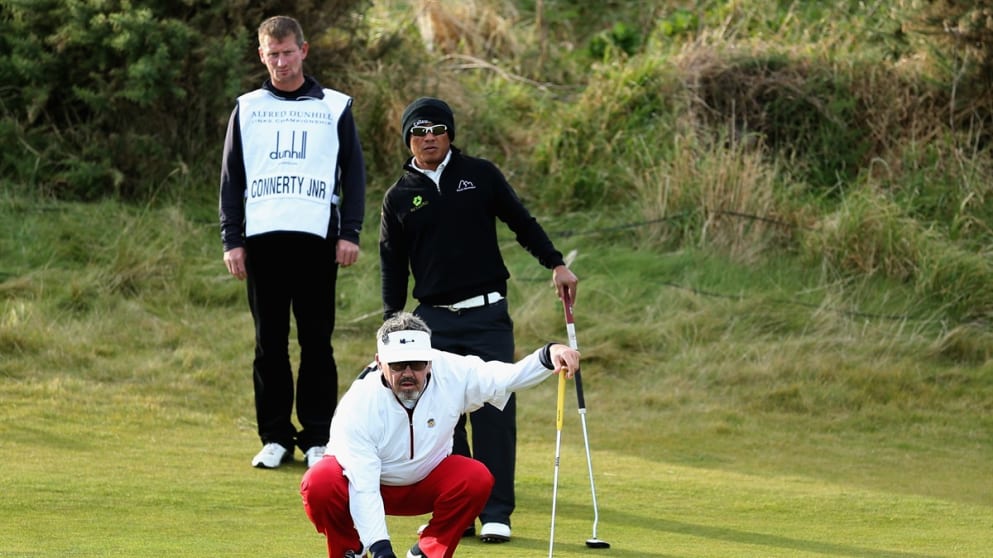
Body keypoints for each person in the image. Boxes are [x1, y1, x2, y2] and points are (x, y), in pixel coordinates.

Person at [378, 97, 578, 542]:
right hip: (432, 320)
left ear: (449, 134)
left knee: (495, 407)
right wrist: (391, 332)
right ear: (409, 138)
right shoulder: (398, 197)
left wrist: (556, 263)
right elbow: (392, 266)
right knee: (444, 415)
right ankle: (461, 509)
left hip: (487, 313)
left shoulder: (480, 175)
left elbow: (521, 222)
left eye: (437, 129)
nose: (429, 137)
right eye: (419, 130)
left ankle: (497, 511)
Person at [300, 312, 582, 558]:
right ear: (379, 362)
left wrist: (548, 355)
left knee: (475, 478)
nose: (408, 373)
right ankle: (352, 550)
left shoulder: (453, 371)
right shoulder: (359, 403)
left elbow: (506, 377)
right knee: (320, 483)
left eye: (418, 364)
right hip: (363, 486)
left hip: (426, 482)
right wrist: (381, 549)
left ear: (430, 360)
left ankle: (426, 552)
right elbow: (363, 485)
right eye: (398, 365)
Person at [219, 15, 366, 469]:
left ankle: (319, 435)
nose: (280, 62)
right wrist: (232, 239)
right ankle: (275, 437)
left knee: (317, 341)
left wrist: (350, 232)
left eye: (288, 52)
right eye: (272, 54)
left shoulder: (335, 106)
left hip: (318, 240)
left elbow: (354, 174)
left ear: (304, 50)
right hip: (262, 242)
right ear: (261, 55)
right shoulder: (247, 107)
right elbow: (231, 179)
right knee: (270, 342)